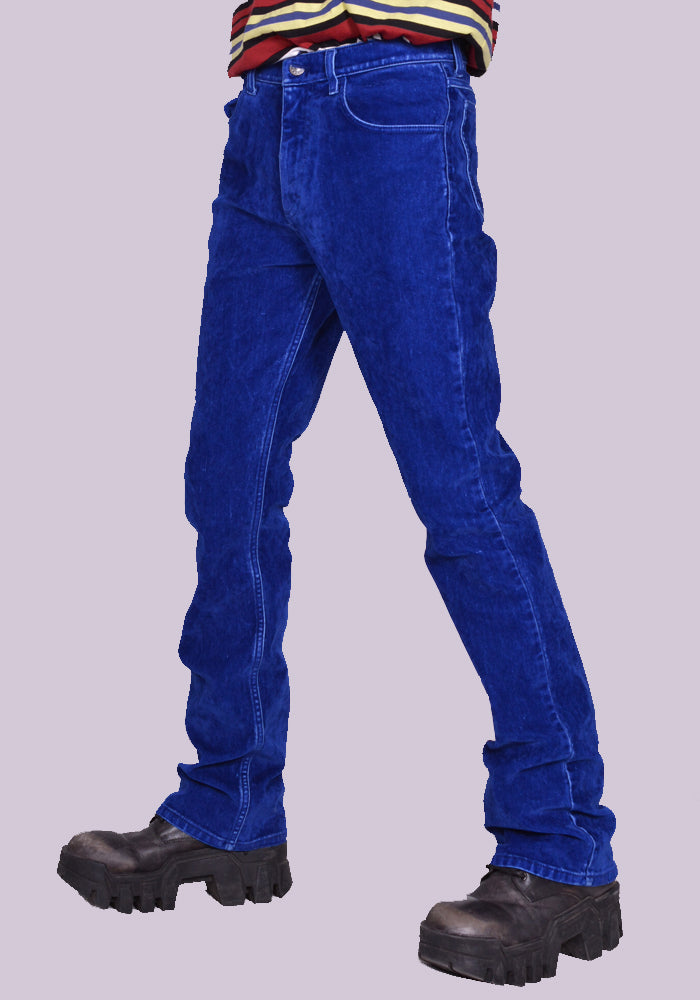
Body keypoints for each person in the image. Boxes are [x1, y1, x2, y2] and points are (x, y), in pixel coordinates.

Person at [56, 3, 621, 986]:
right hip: (264, 103)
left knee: (460, 488)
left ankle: (561, 844)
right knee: (226, 484)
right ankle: (229, 803)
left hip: (392, 90)